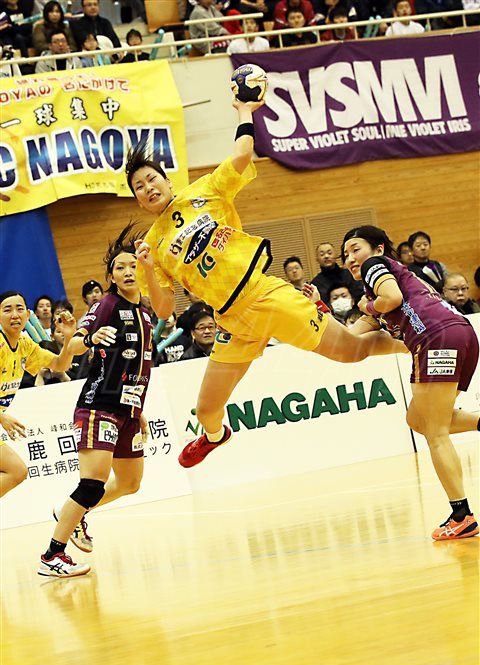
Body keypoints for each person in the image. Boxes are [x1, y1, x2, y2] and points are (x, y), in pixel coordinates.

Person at [127, 96, 406, 471]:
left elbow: (243, 155)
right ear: (138, 200)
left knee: (350, 352)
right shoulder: (153, 246)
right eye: (138, 187)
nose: (147, 187)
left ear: (166, 180)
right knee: (207, 411)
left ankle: (415, 343)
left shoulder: (203, 191)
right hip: (231, 321)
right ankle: (215, 436)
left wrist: (244, 110)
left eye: (151, 179)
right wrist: (147, 267)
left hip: (264, 295)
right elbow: (163, 309)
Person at [341, 225, 479, 540]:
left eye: (355, 249)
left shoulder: (376, 266)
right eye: (345, 254)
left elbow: (391, 298)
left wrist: (367, 306)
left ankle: (462, 516)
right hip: (461, 334)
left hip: (436, 337)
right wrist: (319, 313)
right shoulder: (382, 285)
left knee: (435, 431)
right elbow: (349, 340)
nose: (350, 258)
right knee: (418, 419)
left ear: (378, 249)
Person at [38, 226, 153, 578]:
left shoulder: (145, 312)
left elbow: (136, 365)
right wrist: (88, 339)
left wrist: (138, 409)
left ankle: (71, 512)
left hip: (128, 410)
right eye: (120, 267)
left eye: (132, 265)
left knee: (130, 483)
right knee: (92, 483)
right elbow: (74, 345)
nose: (128, 271)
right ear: (111, 276)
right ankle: (52, 555)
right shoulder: (106, 305)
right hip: (98, 406)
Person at [0, 290, 76, 498]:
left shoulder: (25, 345)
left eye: (19, 309)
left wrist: (69, 338)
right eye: (7, 310)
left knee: (17, 471)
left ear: (27, 315)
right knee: (16, 471)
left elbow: (60, 364)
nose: (14, 315)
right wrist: (2, 417)